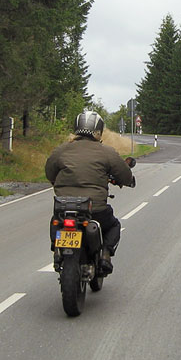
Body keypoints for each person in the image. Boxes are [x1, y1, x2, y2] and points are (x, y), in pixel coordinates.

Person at [45, 110, 134, 274]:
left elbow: (50, 172)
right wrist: (128, 181)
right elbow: (124, 174)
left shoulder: (61, 150)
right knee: (114, 225)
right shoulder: (107, 152)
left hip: (64, 207)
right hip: (94, 209)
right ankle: (105, 254)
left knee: (55, 221)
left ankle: (57, 252)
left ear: (77, 128)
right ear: (98, 130)